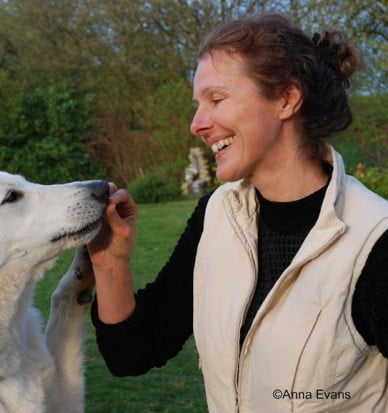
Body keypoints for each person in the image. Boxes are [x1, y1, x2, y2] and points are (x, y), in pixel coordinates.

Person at [87, 14, 388, 412]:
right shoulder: (216, 215)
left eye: (216, 99)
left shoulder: (374, 239)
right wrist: (111, 263)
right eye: (198, 104)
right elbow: (135, 353)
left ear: (286, 99)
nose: (197, 124)